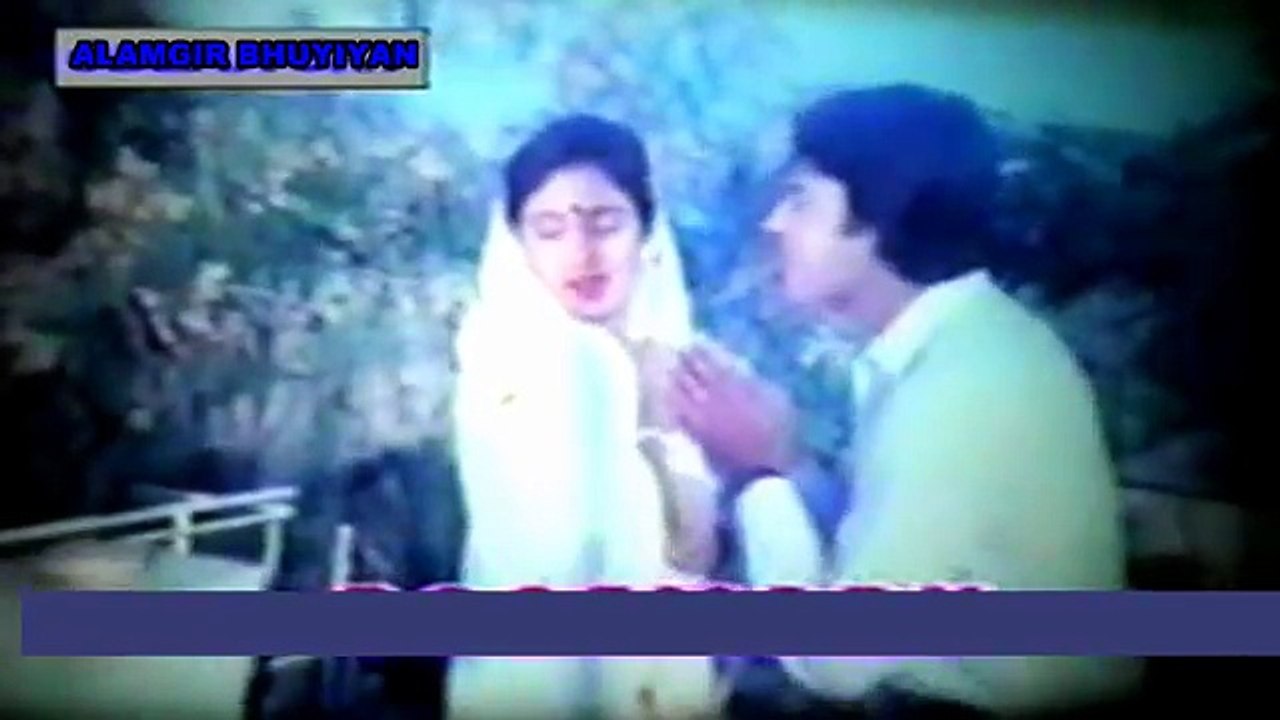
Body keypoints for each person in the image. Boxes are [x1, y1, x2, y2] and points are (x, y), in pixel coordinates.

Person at [666, 85, 1140, 717]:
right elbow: (880, 552)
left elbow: (839, 662)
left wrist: (757, 475)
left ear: (877, 220)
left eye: (801, 200)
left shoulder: (966, 384)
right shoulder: (959, 342)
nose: (774, 223)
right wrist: (787, 459)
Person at [448, 115, 723, 720]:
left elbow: (693, 556)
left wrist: (655, 423)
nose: (581, 253)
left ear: (647, 231)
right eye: (549, 229)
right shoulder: (504, 364)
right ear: (517, 245)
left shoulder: (688, 366)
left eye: (606, 224)